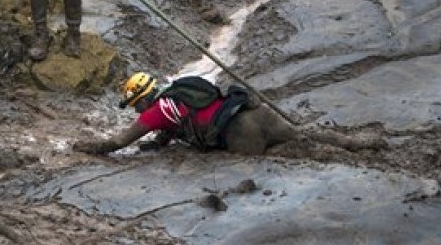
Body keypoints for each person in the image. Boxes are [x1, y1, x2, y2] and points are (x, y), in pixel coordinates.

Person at [73, 72, 385, 156]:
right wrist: (159, 142)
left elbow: (117, 142)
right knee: (302, 135)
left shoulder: (155, 113)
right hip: (252, 111)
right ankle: (359, 142)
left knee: (286, 156)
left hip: (238, 132)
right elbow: (176, 126)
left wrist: (84, 145)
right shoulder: (177, 90)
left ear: (141, 100)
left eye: (134, 105)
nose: (137, 111)